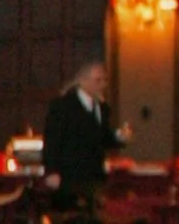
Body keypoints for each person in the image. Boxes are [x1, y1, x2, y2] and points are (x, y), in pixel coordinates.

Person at [41, 58, 126, 200]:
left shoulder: (101, 107)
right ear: (83, 81)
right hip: (69, 176)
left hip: (94, 175)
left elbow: (102, 138)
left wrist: (119, 137)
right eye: (97, 80)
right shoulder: (63, 106)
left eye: (104, 80)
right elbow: (52, 140)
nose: (103, 85)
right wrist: (51, 171)